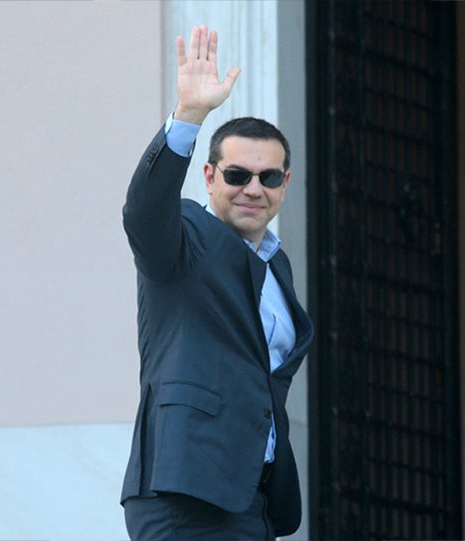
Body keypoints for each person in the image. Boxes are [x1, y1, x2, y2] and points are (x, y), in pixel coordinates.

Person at [120, 25, 314, 540]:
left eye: (268, 177)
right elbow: (143, 212)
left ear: (285, 184)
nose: (253, 188)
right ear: (209, 177)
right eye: (237, 175)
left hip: (252, 497)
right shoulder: (185, 238)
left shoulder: (276, 265)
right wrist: (188, 115)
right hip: (184, 491)